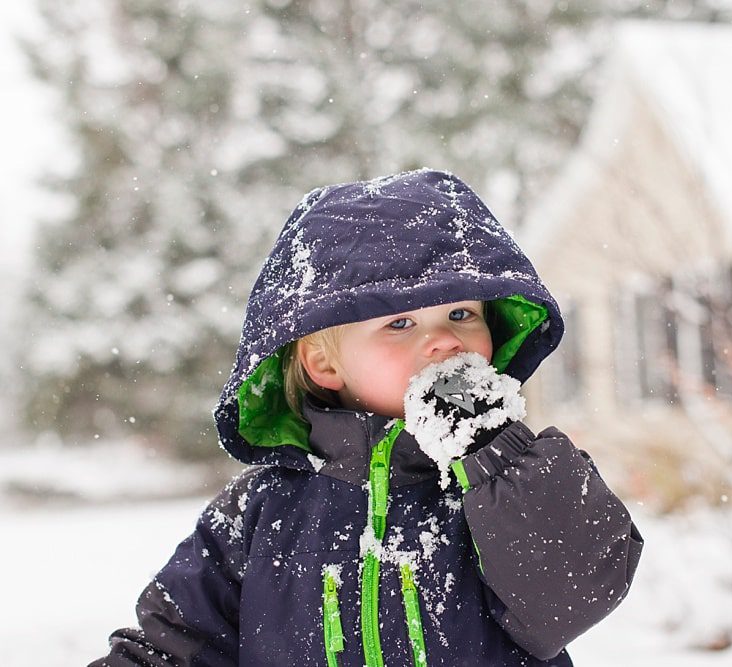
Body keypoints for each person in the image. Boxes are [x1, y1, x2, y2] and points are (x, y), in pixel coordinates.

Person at [91, 169, 643, 667]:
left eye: (461, 313)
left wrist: (493, 447)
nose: (444, 340)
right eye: (399, 324)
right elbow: (171, 649)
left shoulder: (511, 479)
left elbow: (576, 594)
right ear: (325, 363)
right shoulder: (260, 513)